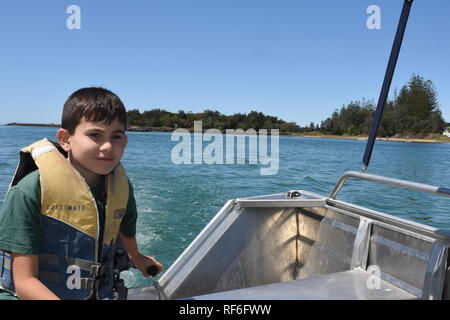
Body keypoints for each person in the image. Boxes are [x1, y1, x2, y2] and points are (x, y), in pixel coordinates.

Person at [0, 87, 163, 300]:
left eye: (116, 136)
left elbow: (125, 225)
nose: (107, 146)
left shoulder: (120, 187)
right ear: (65, 139)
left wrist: (136, 256)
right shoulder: (30, 191)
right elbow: (25, 282)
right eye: (95, 135)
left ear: (125, 141)